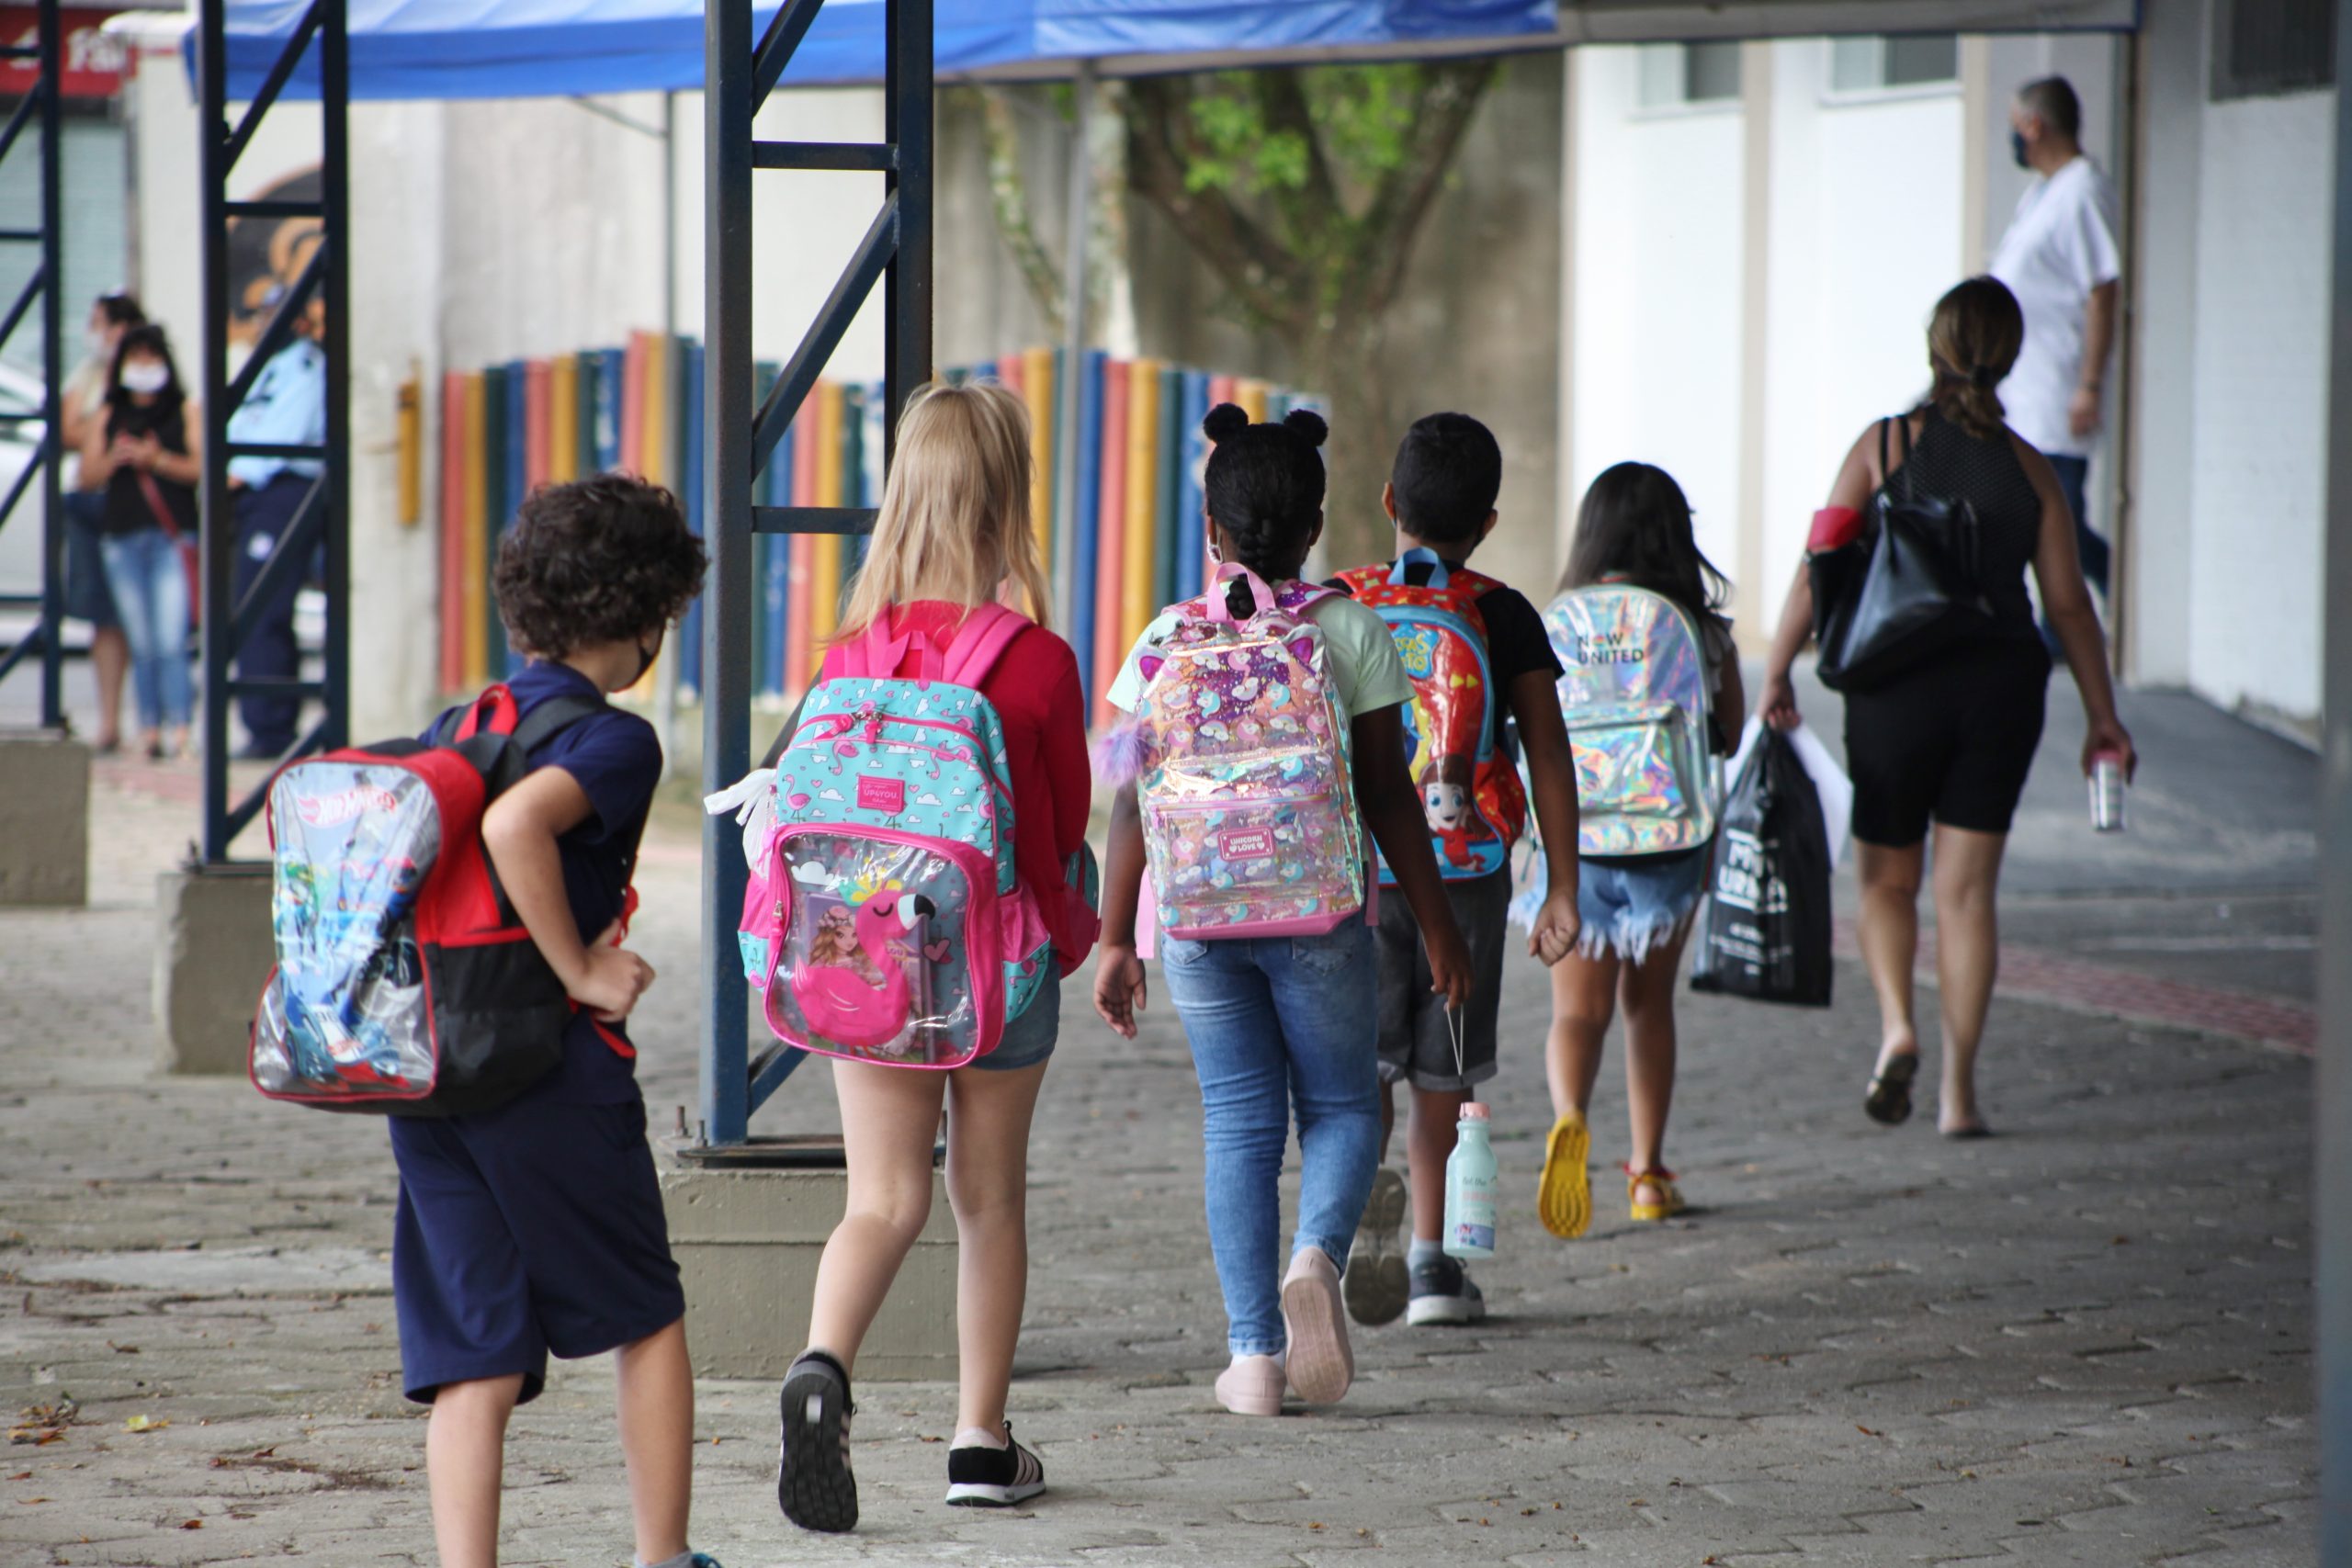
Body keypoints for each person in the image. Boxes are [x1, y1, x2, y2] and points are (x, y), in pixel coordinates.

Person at [1093, 403, 1473, 1418]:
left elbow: (1129, 796)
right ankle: (1316, 1256)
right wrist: (1436, 925)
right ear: (1313, 527)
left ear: (1210, 530)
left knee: (1238, 1124)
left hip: (1199, 926)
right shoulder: (1348, 629)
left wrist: (1111, 940)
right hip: (1320, 919)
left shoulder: (1166, 639)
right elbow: (1391, 795)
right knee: (1343, 1107)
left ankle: (1254, 1360)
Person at [775, 382, 1094, 1533]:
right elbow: (1058, 840)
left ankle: (822, 1365)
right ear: (1008, 501)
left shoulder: (850, 656)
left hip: (865, 967)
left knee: (883, 1197)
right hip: (998, 967)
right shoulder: (1037, 662)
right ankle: (978, 1442)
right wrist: (1079, 936)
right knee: (986, 1197)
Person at [395, 474, 718, 1568]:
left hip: (432, 1071)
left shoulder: (461, 722)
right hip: (548, 1072)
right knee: (645, 1315)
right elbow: (516, 826)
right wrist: (580, 965)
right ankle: (663, 1559)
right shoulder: (615, 741)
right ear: (638, 619)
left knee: (475, 1354)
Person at [1757, 277, 2135, 1137]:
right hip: (2000, 688)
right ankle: (1960, 1094)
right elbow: (2070, 605)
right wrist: (2104, 717)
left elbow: (1818, 565)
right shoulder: (2031, 469)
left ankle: (1897, 1027)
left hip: (1896, 689)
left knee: (1888, 880)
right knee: (1967, 896)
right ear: (2009, 357)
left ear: (1935, 346)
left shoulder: (1884, 446)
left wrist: (1777, 669)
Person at [1332, 412, 1581, 1330]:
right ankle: (1433, 1265)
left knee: (1359, 1071)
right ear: (1487, 522)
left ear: (1389, 502)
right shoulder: (1501, 612)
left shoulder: (1336, 600)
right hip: (1464, 878)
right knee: (1446, 1072)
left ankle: (1352, 1220)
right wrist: (1563, 885)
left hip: (1352, 875)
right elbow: (1549, 753)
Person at [1536, 463, 1741, 1234]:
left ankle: (1569, 1118)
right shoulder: (1700, 627)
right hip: (1669, 841)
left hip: (1577, 842)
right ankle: (1649, 1172)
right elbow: (1724, 733)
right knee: (1647, 1004)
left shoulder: (1561, 619)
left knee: (1576, 1012)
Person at [1990, 75, 2120, 607]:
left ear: (2033, 125)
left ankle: (2119, 587)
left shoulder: (2083, 191)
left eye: (2014, 126)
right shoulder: (2043, 192)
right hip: (2027, 391)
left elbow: (2103, 290)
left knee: (2059, 514)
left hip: (2059, 389)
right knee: (2042, 512)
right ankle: (2056, 619)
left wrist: (2089, 384)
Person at [76, 324, 200, 761]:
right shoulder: (110, 415)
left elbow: (201, 468)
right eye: (136, 358)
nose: (144, 368)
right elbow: (85, 477)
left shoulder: (184, 411)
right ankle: (149, 729)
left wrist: (156, 459)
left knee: (170, 639)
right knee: (142, 642)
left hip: (170, 535)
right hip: (121, 538)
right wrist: (116, 458)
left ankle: (181, 728)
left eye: (152, 358)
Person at [225, 296, 329, 758]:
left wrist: (239, 471)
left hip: (281, 489)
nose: (265, 324)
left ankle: (271, 728)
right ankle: (262, 724)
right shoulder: (269, 364)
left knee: (264, 607)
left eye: (275, 315)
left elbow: (282, 434)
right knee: (249, 607)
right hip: (251, 492)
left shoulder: (306, 366)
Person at [59, 291, 143, 753]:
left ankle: (155, 724)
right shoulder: (90, 373)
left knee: (146, 621)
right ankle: (110, 720)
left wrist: (97, 426)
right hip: (92, 499)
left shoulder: (149, 369)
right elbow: (69, 426)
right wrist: (100, 427)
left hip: (135, 505)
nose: (95, 333)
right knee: (102, 618)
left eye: (101, 323)